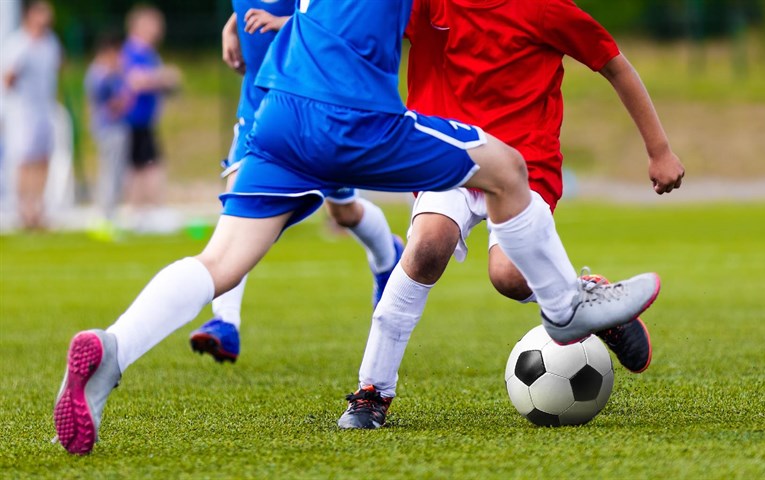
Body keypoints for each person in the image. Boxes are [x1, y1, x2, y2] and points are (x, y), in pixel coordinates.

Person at [53, 0, 673, 456]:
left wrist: (241, 18)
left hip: (281, 112)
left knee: (221, 259)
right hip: (354, 118)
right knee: (506, 169)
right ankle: (564, 308)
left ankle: (113, 349)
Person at [337, 0, 685, 429]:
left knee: (509, 276)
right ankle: (373, 391)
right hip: (448, 157)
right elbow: (356, 24)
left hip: (524, 166)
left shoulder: (545, 8)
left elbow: (615, 65)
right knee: (428, 245)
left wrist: (659, 150)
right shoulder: (425, 5)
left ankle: (581, 297)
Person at [187, 1, 405, 363]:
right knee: (239, 201)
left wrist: (284, 22)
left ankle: (387, 257)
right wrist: (232, 25)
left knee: (343, 212)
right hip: (258, 105)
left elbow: (336, 20)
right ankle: (224, 322)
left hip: (313, 105)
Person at [0, 1, 61, 231]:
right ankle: (24, 208)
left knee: (43, 158)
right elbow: (8, 79)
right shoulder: (18, 43)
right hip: (23, 110)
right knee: (25, 160)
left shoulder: (50, 42)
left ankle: (38, 206)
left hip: (44, 107)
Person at [121, 5, 180, 232]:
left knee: (146, 165)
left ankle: (144, 211)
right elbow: (136, 81)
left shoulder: (149, 53)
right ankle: (143, 211)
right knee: (144, 167)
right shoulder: (131, 51)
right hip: (130, 120)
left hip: (145, 120)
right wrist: (164, 77)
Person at [84, 31, 131, 237]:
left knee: (116, 173)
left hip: (113, 127)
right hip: (108, 127)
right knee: (110, 173)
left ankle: (110, 213)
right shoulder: (101, 74)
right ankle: (105, 216)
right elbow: (112, 103)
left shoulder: (107, 73)